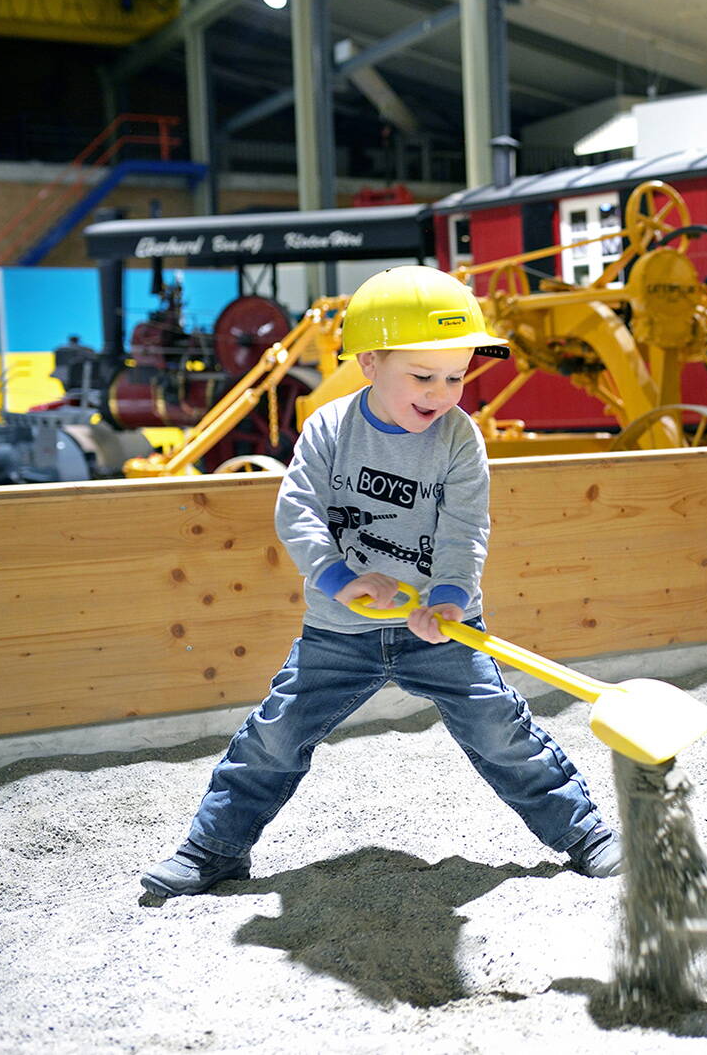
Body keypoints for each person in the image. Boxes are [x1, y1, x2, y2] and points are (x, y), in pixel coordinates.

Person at [142, 266, 621, 897]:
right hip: (339, 632)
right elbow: (298, 510)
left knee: (501, 730)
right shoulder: (330, 428)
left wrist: (448, 597)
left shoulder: (458, 437)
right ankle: (215, 849)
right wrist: (339, 578)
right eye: (422, 376)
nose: (442, 392)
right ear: (370, 362)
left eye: (456, 376)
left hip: (442, 632)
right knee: (276, 734)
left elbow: (464, 530)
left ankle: (586, 834)